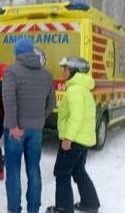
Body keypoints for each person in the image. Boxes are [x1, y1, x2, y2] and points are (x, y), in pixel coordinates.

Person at [2, 38, 56, 213]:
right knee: (34, 170)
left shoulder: (11, 71)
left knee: (13, 171)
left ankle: (14, 209)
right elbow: (51, 104)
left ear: (17, 53)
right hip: (36, 130)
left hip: (15, 130)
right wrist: (40, 118)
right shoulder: (47, 75)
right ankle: (33, 209)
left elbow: (8, 100)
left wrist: (14, 126)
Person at [46, 57, 100, 213]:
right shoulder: (83, 89)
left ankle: (63, 209)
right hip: (82, 139)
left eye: (65, 69)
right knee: (78, 171)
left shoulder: (75, 90)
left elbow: (76, 117)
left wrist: (68, 137)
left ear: (73, 71)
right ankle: (90, 204)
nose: (63, 71)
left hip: (74, 139)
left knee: (62, 173)